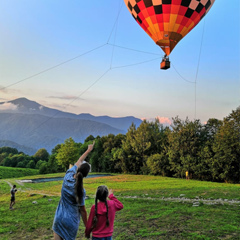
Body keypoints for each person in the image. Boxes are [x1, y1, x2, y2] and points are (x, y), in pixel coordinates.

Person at [52, 142, 94, 240]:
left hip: (59, 218)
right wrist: (87, 227)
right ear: (86, 175)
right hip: (71, 223)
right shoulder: (81, 191)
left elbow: (80, 160)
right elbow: (83, 211)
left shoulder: (68, 176)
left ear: (77, 169)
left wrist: (88, 150)